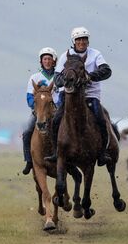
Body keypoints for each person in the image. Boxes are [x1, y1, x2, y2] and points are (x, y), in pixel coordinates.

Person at [44, 27, 113, 166]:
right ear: (73, 41)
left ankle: (102, 153)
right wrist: (68, 80)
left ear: (88, 41)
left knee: (101, 118)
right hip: (69, 95)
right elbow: (57, 78)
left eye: (84, 39)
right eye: (78, 39)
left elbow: (107, 71)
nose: (81, 42)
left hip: (90, 95)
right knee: (56, 119)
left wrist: (90, 76)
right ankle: (56, 152)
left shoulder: (96, 54)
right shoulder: (65, 55)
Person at [21, 47, 58, 175]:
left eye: (49, 59)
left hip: (56, 111)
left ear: (54, 61)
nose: (47, 61)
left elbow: (63, 94)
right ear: (41, 61)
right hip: (39, 112)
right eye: (45, 59)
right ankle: (29, 161)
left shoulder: (60, 76)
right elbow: (29, 97)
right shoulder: (35, 77)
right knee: (27, 133)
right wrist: (36, 107)